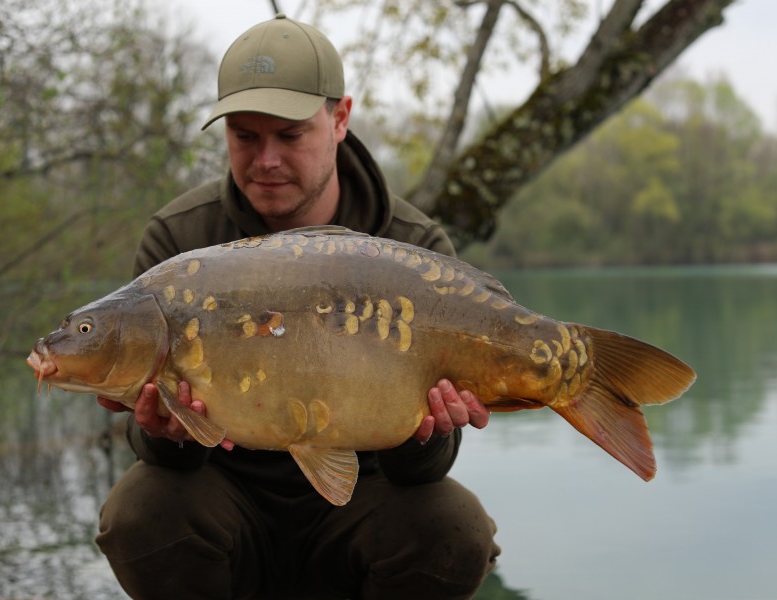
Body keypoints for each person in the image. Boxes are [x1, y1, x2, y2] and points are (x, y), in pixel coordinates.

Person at [95, 13, 500, 600]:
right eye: (244, 136)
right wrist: (166, 433)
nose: (265, 161)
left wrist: (428, 430)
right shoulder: (180, 241)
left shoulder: (413, 250)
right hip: (227, 510)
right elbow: (162, 459)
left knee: (452, 523)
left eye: (289, 136)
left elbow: (427, 472)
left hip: (362, 511)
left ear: (339, 119)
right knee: (140, 507)